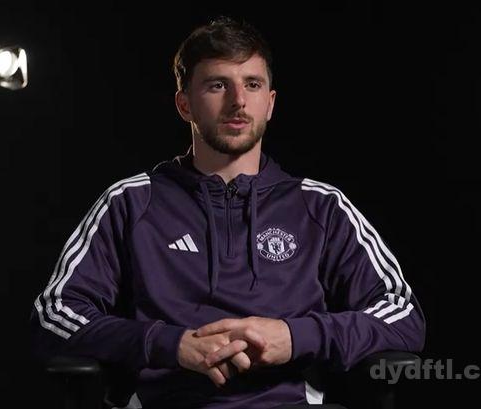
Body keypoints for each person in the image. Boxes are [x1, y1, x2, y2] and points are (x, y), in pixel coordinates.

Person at [30, 16, 425, 409]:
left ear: (270, 103)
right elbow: (55, 314)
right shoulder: (130, 202)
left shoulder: (321, 206)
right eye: (218, 85)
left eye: (252, 84)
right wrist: (170, 344)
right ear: (184, 104)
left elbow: (402, 315)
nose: (238, 101)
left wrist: (294, 336)